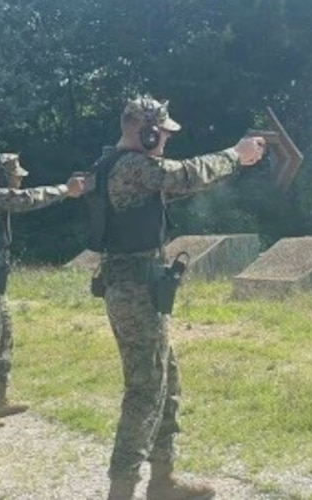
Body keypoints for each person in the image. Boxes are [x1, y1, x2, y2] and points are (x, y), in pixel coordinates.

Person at [90, 95, 265, 500]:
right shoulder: (131, 166)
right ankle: (122, 489)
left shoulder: (114, 165)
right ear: (146, 130)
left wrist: (231, 164)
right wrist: (235, 156)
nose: (165, 141)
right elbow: (184, 175)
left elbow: (180, 182)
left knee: (164, 380)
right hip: (135, 290)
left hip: (139, 288)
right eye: (162, 134)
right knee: (145, 390)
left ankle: (162, 480)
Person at [0, 152, 85, 432]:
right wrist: (66, 189)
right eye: (15, 175)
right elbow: (28, 199)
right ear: (2, 175)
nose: (19, 180)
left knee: (4, 335)